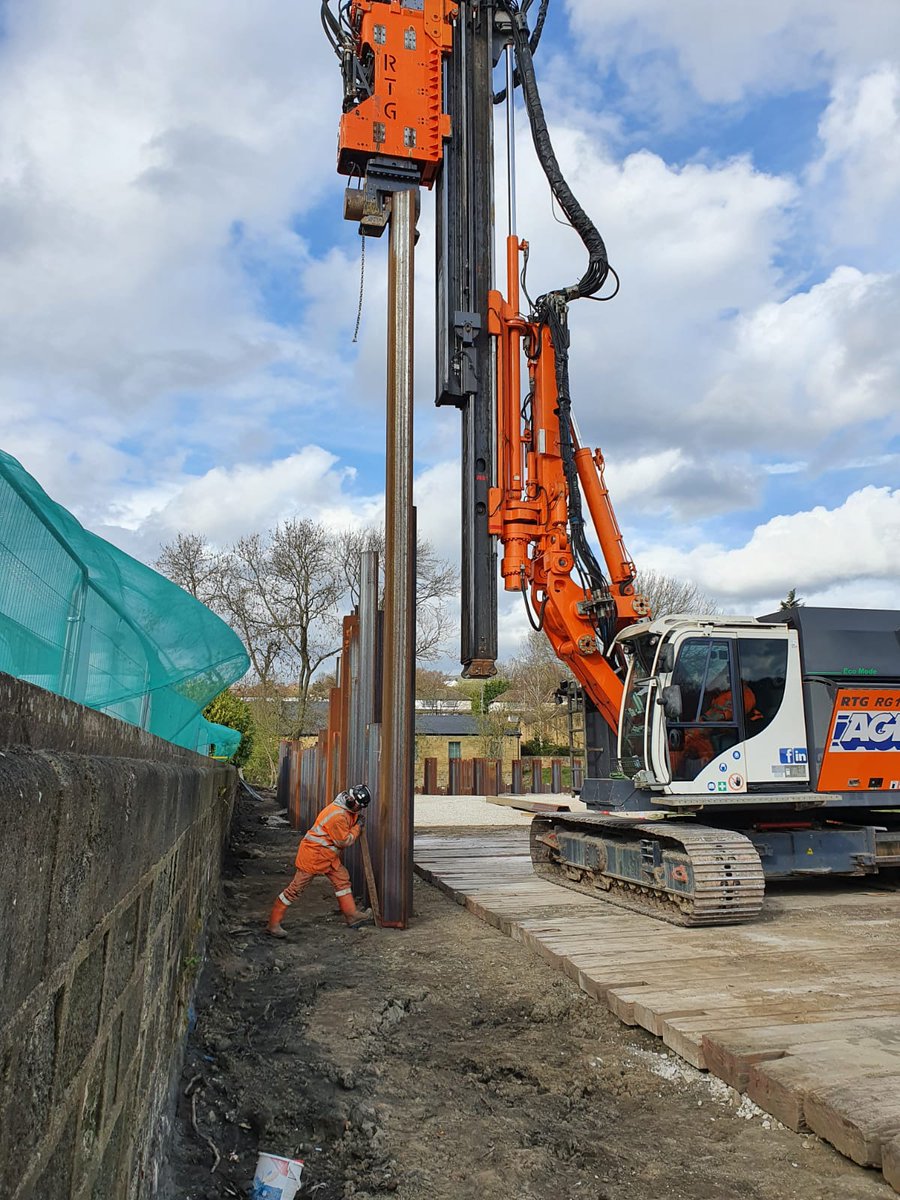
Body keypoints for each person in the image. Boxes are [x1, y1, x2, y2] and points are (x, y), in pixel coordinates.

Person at [267, 784, 374, 936]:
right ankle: (273, 924)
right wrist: (357, 828)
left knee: (342, 880)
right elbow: (344, 841)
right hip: (314, 856)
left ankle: (352, 915)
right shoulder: (338, 815)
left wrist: (356, 823)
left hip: (327, 856)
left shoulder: (345, 808)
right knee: (295, 890)